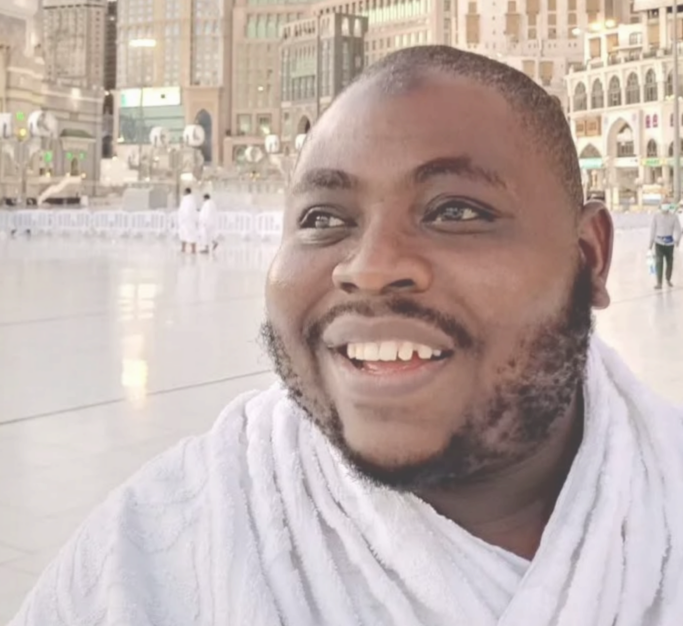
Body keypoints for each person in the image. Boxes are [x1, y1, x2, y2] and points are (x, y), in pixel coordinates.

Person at [11, 46, 683, 626]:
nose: (368, 268)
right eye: (323, 218)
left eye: (456, 211)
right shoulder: (154, 551)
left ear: (588, 258)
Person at [648, 198, 681, 289]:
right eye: (664, 203)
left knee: (670, 262)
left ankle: (668, 279)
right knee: (659, 262)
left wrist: (677, 240)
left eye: (667, 204)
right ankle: (659, 282)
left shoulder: (674, 217)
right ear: (660, 205)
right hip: (659, 242)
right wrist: (651, 243)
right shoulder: (656, 216)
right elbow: (653, 229)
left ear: (669, 206)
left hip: (669, 243)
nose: (665, 205)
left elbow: (678, 229)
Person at [177, 187, 198, 255]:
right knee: (183, 235)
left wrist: (184, 217)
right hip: (184, 221)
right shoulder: (185, 199)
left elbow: (188, 210)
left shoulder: (189, 200)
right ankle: (183, 248)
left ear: (186, 192)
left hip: (188, 220)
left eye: (184, 191)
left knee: (190, 235)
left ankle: (193, 249)